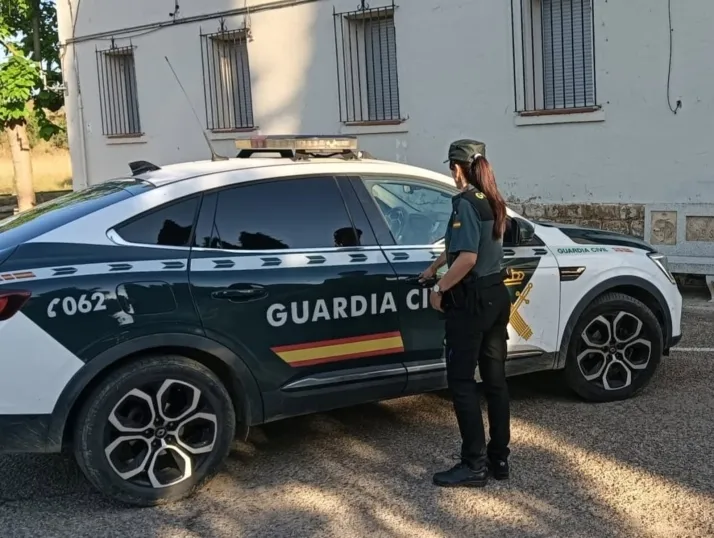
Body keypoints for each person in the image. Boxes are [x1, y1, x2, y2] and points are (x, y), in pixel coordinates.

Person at [419, 139, 512, 488]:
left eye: (450, 168)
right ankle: (499, 458)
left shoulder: (464, 203)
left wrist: (440, 288)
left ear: (457, 168)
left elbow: (468, 258)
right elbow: (465, 248)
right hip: (496, 296)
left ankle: (473, 464)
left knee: (461, 382)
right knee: (495, 381)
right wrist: (434, 267)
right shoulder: (492, 199)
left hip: (471, 303)